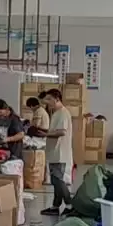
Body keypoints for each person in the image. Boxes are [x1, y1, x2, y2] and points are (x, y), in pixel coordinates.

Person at [42, 88, 73, 216]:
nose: (47, 102)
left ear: (57, 99)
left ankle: (70, 205)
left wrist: (45, 134)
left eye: (49, 99)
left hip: (60, 152)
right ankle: (55, 206)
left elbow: (62, 131)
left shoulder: (63, 113)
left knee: (58, 180)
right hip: (54, 152)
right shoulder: (55, 113)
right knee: (55, 181)